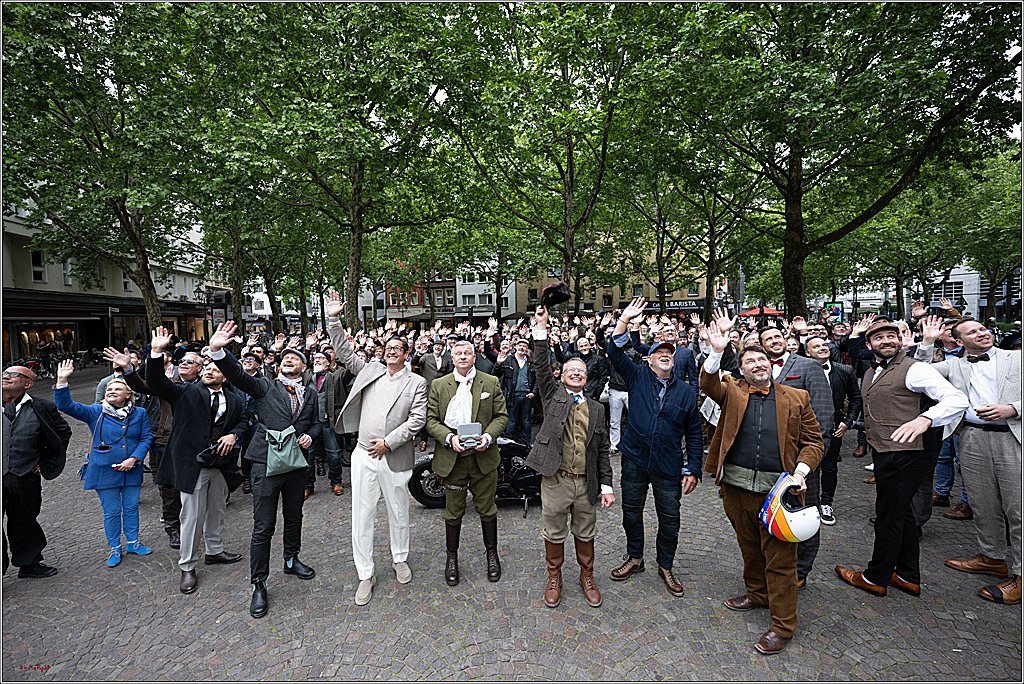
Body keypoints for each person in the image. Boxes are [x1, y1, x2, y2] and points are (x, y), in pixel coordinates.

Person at [700, 325, 823, 655]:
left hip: (778, 493)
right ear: (741, 369)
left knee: (781, 560)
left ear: (771, 364)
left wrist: (800, 472)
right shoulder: (733, 391)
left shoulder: (797, 398)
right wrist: (716, 349)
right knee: (749, 545)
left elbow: (814, 442)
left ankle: (782, 625)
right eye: (750, 361)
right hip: (736, 488)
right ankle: (757, 594)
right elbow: (708, 382)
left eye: (762, 359)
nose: (757, 364)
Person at [835, 319, 968, 599]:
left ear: (900, 341)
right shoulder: (872, 371)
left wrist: (926, 418)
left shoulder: (915, 369)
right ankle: (908, 575)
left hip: (909, 454)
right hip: (886, 450)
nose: (886, 341)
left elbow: (956, 399)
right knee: (903, 512)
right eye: (879, 337)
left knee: (888, 516)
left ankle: (875, 577)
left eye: (891, 336)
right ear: (869, 345)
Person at [208, 321, 321, 619]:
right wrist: (219, 350)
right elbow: (238, 375)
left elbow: (316, 423)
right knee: (263, 525)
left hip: (296, 463)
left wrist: (311, 435)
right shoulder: (265, 385)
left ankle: (291, 558)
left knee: (295, 514)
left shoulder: (310, 395)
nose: (289, 358)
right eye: (286, 356)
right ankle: (259, 583)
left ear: (304, 366)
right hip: (265, 463)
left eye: (296, 356)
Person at [324, 292, 428, 606]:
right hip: (364, 454)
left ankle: (399, 558)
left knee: (398, 512)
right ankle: (365, 573)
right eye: (387, 348)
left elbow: (418, 418)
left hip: (395, 456)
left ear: (406, 353)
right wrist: (333, 319)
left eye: (397, 348)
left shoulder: (416, 383)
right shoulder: (369, 370)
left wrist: (390, 442)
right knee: (363, 513)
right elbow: (343, 351)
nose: (390, 351)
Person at [125, 333, 248, 594]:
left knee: (217, 511)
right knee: (190, 517)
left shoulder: (235, 400)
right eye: (207, 368)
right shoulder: (186, 392)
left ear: (226, 375)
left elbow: (244, 421)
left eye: (217, 369)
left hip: (221, 465)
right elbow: (156, 382)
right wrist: (156, 353)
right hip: (192, 465)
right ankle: (188, 566)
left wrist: (234, 434)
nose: (210, 371)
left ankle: (214, 551)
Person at [916, 317, 1022, 605]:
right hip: (971, 438)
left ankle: (1020, 575)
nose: (982, 333)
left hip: (1013, 438)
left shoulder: (1016, 358)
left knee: (1017, 508)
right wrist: (927, 342)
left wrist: (1012, 408)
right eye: (973, 332)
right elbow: (918, 374)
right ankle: (992, 557)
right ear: (959, 342)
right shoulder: (955, 365)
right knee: (982, 503)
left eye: (982, 328)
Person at [606, 297, 704, 598]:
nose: (664, 355)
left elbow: (695, 433)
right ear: (648, 360)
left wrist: (694, 468)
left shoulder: (687, 392)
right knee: (631, 514)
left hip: (668, 464)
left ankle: (666, 565)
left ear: (673, 361)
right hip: (634, 459)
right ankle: (635, 558)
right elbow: (613, 351)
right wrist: (624, 321)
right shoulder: (636, 376)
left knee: (670, 519)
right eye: (658, 352)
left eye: (668, 353)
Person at [526, 305, 614, 608]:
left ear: (587, 378)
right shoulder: (553, 396)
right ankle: (555, 576)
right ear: (561, 376)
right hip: (556, 479)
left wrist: (607, 485)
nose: (576, 373)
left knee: (586, 531)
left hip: (586, 482)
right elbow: (540, 366)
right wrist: (541, 330)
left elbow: (602, 449)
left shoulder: (597, 409)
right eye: (570, 370)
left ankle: (586, 575)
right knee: (553, 530)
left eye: (581, 371)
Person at [755, 320, 833, 590]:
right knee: (774, 514)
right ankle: (774, 565)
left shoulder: (807, 365)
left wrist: (810, 460)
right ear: (762, 346)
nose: (774, 341)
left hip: (802, 460)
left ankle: (801, 570)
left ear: (786, 338)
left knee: (804, 513)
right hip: (769, 460)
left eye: (777, 336)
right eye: (768, 339)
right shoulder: (760, 371)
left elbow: (823, 414)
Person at [53, 360, 154, 568]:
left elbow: (146, 438)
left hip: (131, 468)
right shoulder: (94, 411)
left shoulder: (140, 413)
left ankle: (133, 543)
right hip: (104, 470)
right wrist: (62, 380)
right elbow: (65, 406)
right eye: (109, 388)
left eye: (118, 388)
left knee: (132, 507)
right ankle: (115, 547)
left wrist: (134, 458)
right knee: (112, 510)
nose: (112, 391)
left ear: (128, 394)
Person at [425, 338, 509, 587]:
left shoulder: (490, 382)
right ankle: (452, 558)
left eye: (467, 353)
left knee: (487, 509)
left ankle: (492, 555)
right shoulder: (439, 385)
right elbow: (431, 421)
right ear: (452, 357)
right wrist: (449, 438)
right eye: (458, 353)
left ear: (475, 357)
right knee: (453, 513)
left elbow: (501, 416)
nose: (463, 356)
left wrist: (489, 436)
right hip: (453, 460)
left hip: (483, 459)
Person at [116, 348, 203, 550]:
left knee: (195, 487)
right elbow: (143, 386)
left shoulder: (206, 387)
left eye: (190, 362)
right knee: (169, 489)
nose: (184, 363)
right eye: (181, 360)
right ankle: (173, 529)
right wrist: (128, 368)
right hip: (167, 443)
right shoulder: (168, 386)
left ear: (199, 368)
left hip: (196, 445)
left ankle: (197, 524)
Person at [3, 365, 71, 578]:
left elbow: (62, 432)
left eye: (13, 375)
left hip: (25, 475)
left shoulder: (41, 407)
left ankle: (29, 563)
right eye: (4, 373)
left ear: (28, 383)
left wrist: (44, 461)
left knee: (24, 520)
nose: (6, 376)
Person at [804, 336, 861, 526]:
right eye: (816, 346)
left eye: (824, 344)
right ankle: (806, 503)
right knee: (807, 465)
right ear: (807, 352)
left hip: (835, 428)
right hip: (806, 428)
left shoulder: (845, 370)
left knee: (829, 467)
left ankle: (826, 503)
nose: (822, 348)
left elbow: (855, 398)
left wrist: (848, 422)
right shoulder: (801, 370)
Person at [495, 338, 536, 445]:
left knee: (526, 422)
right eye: (519, 345)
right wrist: (498, 364)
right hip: (512, 396)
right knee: (511, 422)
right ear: (515, 347)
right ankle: (510, 444)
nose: (522, 347)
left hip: (527, 395)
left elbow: (537, 380)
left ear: (527, 349)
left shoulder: (531, 362)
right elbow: (496, 374)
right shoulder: (508, 360)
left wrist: (534, 392)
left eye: (524, 346)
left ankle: (527, 444)